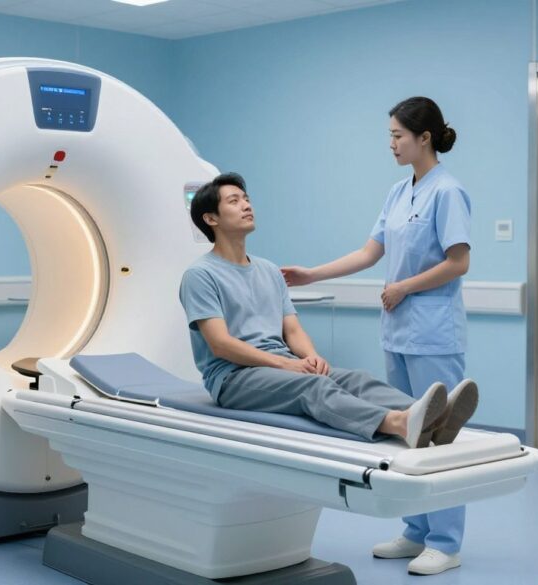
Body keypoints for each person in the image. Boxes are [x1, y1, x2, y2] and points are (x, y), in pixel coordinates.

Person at [281, 97, 476, 576]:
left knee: (439, 437)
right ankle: (415, 531)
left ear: (423, 137)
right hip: (399, 330)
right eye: (389, 135)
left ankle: (446, 541)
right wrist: (311, 276)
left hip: (433, 331)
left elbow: (459, 262)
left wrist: (403, 287)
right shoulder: (397, 192)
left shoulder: (448, 191)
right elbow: (369, 253)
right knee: (408, 432)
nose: (390, 144)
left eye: (397, 135)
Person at [178, 172, 478, 450]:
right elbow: (220, 344)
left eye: (246, 199)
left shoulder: (268, 270)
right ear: (211, 218)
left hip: (280, 366)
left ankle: (434, 417)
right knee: (313, 387)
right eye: (234, 201)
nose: (246, 205)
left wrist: (311, 356)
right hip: (234, 378)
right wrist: (286, 366)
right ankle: (399, 424)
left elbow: (292, 330)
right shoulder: (201, 275)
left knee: (354, 378)